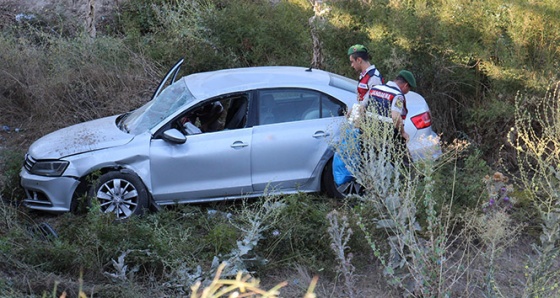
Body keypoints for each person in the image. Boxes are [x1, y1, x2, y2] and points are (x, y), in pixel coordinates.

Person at [367, 70, 417, 161]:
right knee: (406, 165)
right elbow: (395, 117)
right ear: (405, 85)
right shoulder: (397, 95)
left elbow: (362, 107)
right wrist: (403, 133)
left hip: (369, 132)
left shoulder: (375, 88)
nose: (407, 92)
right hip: (389, 134)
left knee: (372, 162)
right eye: (408, 89)